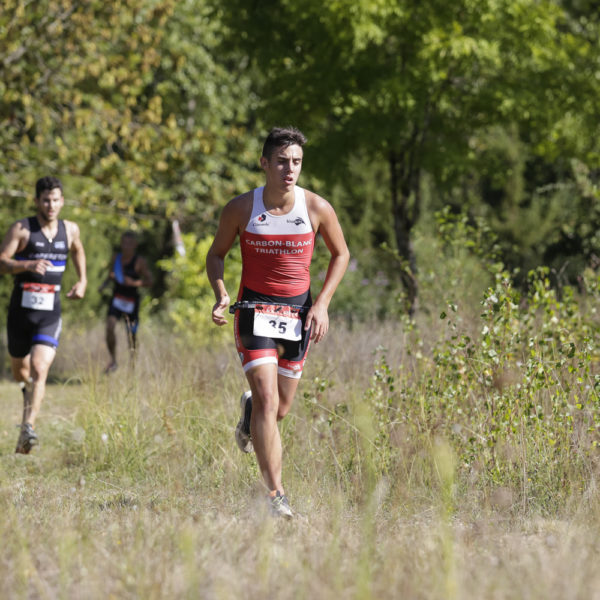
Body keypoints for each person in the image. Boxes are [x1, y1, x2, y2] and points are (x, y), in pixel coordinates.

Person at [206, 127, 350, 517]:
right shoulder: (240, 208)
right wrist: (221, 293)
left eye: (297, 162)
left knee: (279, 408)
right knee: (269, 402)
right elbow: (216, 255)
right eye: (283, 161)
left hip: (297, 317)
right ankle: (276, 496)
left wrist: (322, 304)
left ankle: (249, 411)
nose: (291, 170)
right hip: (254, 312)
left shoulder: (317, 208)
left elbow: (341, 254)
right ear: (264, 163)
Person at [0, 176, 87, 454]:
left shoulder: (70, 229)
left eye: (56, 199)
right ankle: (27, 399)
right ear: (37, 201)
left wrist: (82, 280)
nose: (51, 205)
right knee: (21, 372)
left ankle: (28, 428)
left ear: (62, 201)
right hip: (20, 314)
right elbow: (2, 262)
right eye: (46, 200)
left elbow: (78, 250)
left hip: (50, 313)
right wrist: (27, 264)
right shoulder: (22, 229)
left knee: (40, 368)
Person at [99, 231, 153, 373]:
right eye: (124, 242)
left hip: (132, 301)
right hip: (117, 299)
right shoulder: (116, 258)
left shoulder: (139, 261)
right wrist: (104, 284)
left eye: (129, 243)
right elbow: (110, 274)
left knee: (131, 335)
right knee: (109, 327)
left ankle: (133, 364)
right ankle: (113, 361)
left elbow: (149, 281)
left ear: (135, 245)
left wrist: (134, 283)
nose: (126, 246)